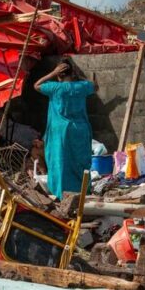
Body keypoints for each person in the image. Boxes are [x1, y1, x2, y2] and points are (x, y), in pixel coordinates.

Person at [34, 59, 97, 199]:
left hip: (60, 133)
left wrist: (52, 73)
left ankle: (61, 196)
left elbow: (37, 85)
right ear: (72, 73)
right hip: (80, 130)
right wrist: (78, 76)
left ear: (59, 75)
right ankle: (82, 194)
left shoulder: (55, 88)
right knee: (80, 163)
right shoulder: (82, 86)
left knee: (60, 163)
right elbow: (95, 86)